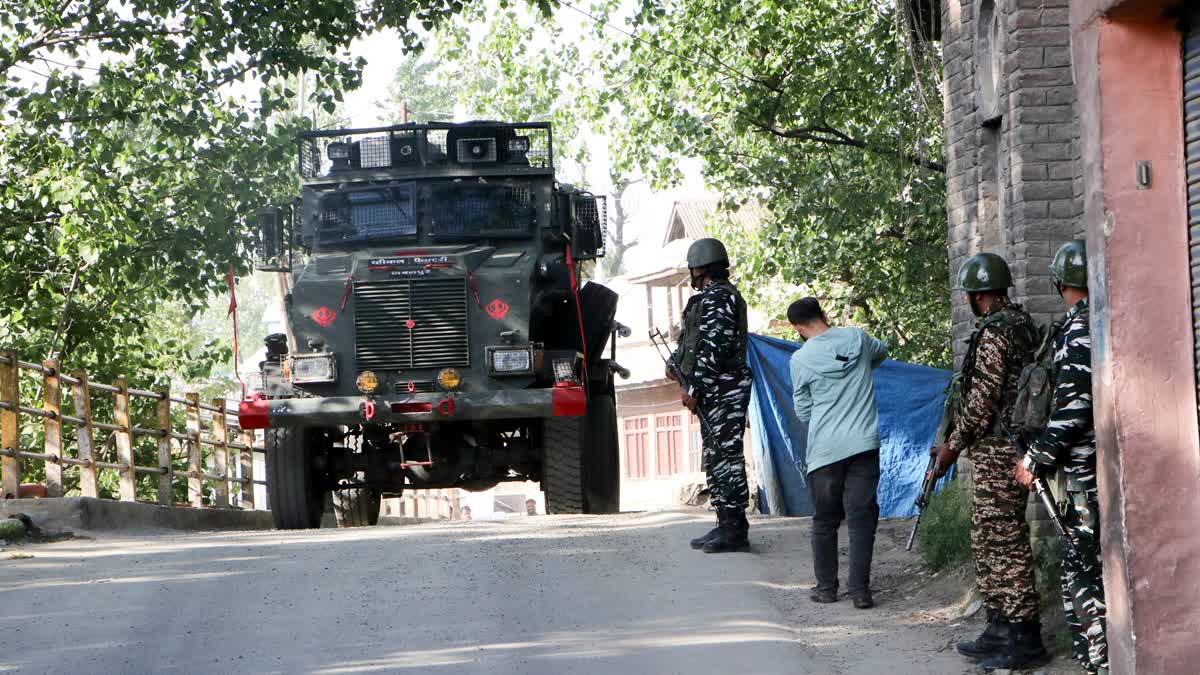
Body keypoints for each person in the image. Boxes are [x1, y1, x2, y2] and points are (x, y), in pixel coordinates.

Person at [931, 252, 1045, 669]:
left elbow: (981, 402)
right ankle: (999, 626)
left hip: (1000, 448)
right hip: (1001, 446)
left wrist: (952, 446)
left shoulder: (996, 333)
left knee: (1002, 539)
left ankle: (1022, 635)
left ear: (977, 295)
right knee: (989, 538)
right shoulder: (1017, 323)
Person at [1014, 240, 1107, 674]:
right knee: (1081, 568)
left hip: (1085, 474)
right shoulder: (1097, 320)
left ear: (1058, 283)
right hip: (1087, 470)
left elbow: (1073, 408)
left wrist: (1035, 458)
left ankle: (1099, 663)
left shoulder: (1080, 327)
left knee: (1086, 573)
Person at [788, 298, 888, 609]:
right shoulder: (857, 339)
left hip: (825, 450)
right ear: (823, 315)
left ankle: (827, 588)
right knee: (861, 518)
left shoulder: (800, 360)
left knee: (825, 520)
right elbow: (882, 351)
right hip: (863, 444)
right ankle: (860, 591)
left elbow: (803, 411)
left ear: (798, 328)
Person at [668, 237, 753, 554]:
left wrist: (695, 387)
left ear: (701, 267)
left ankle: (735, 528)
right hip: (715, 388)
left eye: (692, 268)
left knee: (727, 455)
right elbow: (693, 343)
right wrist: (674, 365)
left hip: (724, 388)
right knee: (715, 455)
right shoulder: (707, 299)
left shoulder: (719, 299)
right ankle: (724, 522)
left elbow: (714, 350)